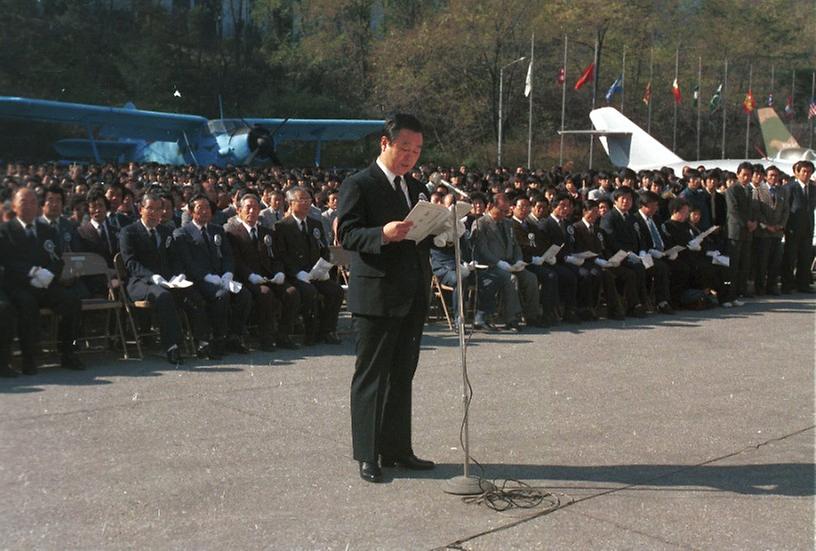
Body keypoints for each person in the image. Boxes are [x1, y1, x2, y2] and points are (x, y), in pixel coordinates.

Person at [337, 113, 435, 483]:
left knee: (401, 376)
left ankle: (398, 449)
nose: (411, 156)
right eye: (405, 147)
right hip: (376, 296)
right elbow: (347, 234)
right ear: (385, 143)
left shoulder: (416, 187)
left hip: (410, 294)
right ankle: (368, 454)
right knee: (371, 377)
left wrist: (440, 228)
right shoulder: (359, 184)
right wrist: (383, 233)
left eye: (418, 150)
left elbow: (419, 237)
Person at [119, 191, 212, 364]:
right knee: (164, 297)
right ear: (141, 209)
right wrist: (153, 277)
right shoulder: (128, 232)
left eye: (158, 209)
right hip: (140, 282)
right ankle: (172, 346)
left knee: (193, 293)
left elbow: (174, 258)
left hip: (167, 281)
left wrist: (179, 275)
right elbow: (130, 263)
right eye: (150, 209)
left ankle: (202, 342)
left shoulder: (166, 230)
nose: (154, 213)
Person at [0, 188, 84, 374]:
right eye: (23, 201)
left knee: (71, 301)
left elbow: (57, 258)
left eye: (32, 202)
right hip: (19, 285)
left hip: (45, 284)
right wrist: (32, 271)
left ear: (38, 206)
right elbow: (7, 260)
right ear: (14, 205)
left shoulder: (47, 230)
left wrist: (49, 274)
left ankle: (68, 353)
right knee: (27, 303)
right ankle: (29, 359)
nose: (28, 206)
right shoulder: (6, 230)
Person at [174, 194, 252, 356]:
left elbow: (228, 255)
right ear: (190, 211)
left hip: (221, 277)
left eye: (207, 207)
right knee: (221, 296)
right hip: (199, 279)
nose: (205, 211)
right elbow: (188, 263)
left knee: (244, 294)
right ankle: (217, 339)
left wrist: (228, 274)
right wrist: (208, 277)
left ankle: (234, 336)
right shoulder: (182, 233)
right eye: (200, 208)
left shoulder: (217, 229)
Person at [225, 192, 301, 350]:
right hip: (248, 278)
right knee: (265, 293)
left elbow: (277, 257)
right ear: (239, 210)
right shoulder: (232, 233)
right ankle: (265, 337)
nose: (252, 211)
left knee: (292, 292)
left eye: (255, 208)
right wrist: (250, 275)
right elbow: (236, 261)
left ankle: (284, 335)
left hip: (269, 276)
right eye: (248, 208)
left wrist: (279, 272)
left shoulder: (267, 233)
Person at [781, 160, 815, 293]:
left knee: (805, 258)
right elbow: (786, 209)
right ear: (797, 172)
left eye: (809, 172)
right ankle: (787, 285)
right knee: (790, 258)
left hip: (807, 228)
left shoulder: (813, 188)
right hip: (793, 228)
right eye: (804, 171)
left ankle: (803, 284)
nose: (806, 174)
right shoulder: (790, 188)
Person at [725, 162, 757, 301]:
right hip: (736, 231)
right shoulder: (732, 189)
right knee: (734, 264)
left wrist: (754, 222)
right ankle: (730, 292)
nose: (746, 177)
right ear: (738, 174)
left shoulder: (750, 190)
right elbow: (733, 210)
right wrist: (747, 223)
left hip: (748, 231)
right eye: (744, 175)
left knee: (745, 263)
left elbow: (752, 209)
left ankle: (741, 289)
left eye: (749, 175)